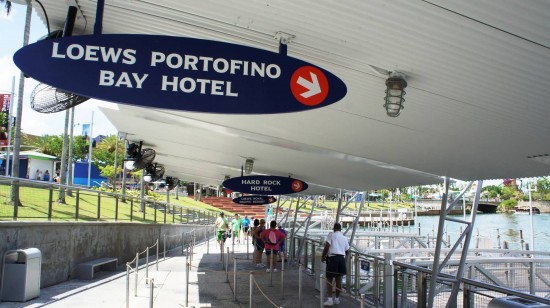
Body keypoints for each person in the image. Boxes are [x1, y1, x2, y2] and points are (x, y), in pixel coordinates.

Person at [321, 222, 350, 306]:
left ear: (334, 229)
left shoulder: (331, 235)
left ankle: (330, 300)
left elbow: (327, 246)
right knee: (339, 280)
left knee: (329, 279)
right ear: (341, 230)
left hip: (333, 258)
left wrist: (323, 256)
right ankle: (337, 299)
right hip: (341, 259)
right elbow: (347, 251)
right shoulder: (344, 238)